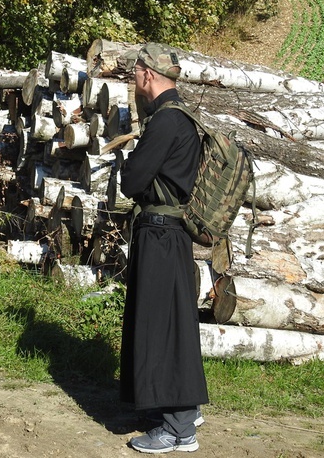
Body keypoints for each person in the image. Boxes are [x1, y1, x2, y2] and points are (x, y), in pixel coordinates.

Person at [119, 43, 209, 454]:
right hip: (167, 234)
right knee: (163, 323)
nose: (133, 79)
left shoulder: (167, 122)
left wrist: (126, 165)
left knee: (167, 329)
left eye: (135, 71)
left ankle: (179, 429)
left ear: (148, 74)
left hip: (161, 234)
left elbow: (134, 181)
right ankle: (169, 410)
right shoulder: (179, 119)